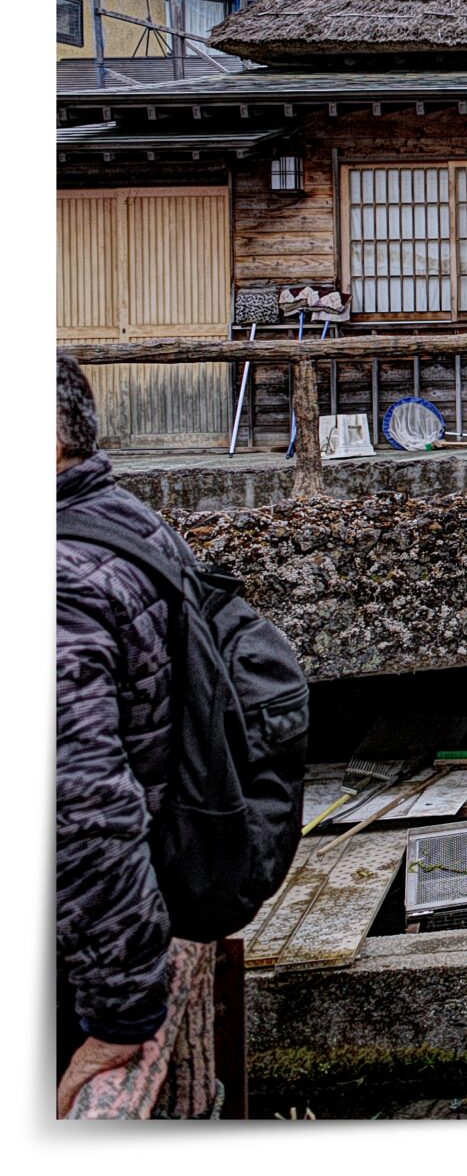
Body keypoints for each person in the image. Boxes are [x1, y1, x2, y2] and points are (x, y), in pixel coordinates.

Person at [56, 353, 184, 1115]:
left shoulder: (61, 578)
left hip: (77, 966)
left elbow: (82, 813)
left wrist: (119, 1014)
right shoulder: (129, 520)